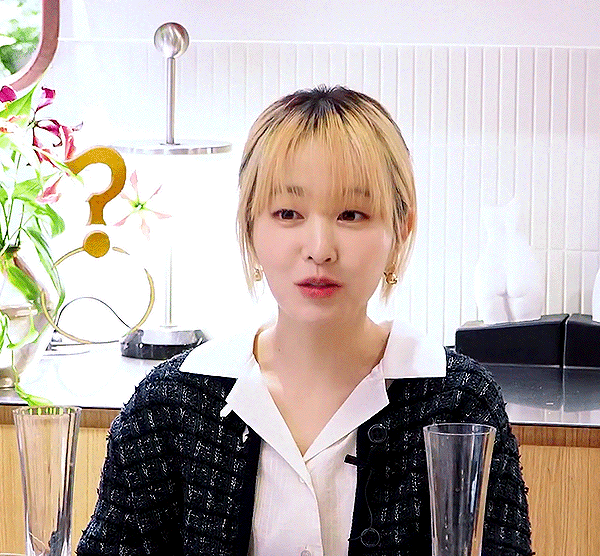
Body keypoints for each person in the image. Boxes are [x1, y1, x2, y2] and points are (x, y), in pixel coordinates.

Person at [77, 86, 532, 556]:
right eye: (288, 213)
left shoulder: (460, 404)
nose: (319, 249)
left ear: (401, 229)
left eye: (351, 214)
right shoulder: (170, 408)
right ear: (250, 228)